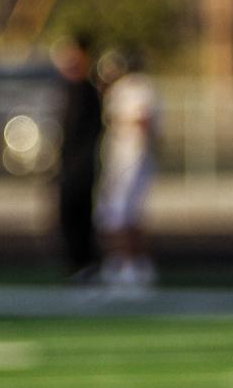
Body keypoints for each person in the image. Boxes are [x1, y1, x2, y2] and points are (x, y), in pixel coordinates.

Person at [96, 49, 160, 288]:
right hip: (119, 159)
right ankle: (122, 262)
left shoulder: (138, 88)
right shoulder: (119, 89)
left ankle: (132, 264)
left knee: (124, 213)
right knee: (114, 214)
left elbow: (143, 122)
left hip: (133, 159)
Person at [53, 33, 103, 278]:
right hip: (69, 166)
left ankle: (86, 265)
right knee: (68, 217)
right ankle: (78, 266)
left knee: (80, 216)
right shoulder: (71, 90)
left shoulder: (87, 91)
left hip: (80, 168)